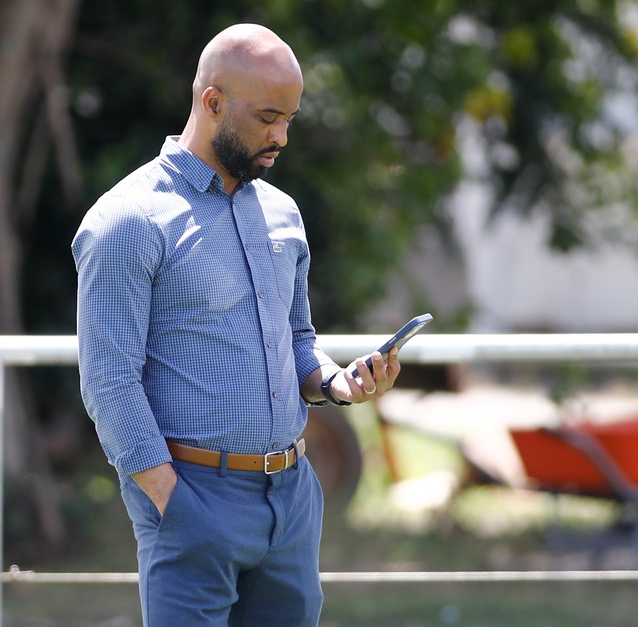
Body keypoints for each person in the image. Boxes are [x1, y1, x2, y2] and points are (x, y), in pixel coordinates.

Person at [71, 23, 401, 626]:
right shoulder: (126, 221)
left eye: (289, 121)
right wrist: (173, 504)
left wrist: (335, 382)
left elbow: (297, 342)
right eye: (267, 118)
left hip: (292, 502)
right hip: (191, 502)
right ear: (213, 102)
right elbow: (109, 385)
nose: (280, 138)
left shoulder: (282, 213)